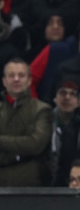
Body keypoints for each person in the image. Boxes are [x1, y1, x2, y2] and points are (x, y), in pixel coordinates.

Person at [0, 58, 52, 186]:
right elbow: (28, 144)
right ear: (4, 81)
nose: (16, 79)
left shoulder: (42, 109)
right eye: (11, 75)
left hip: (29, 181)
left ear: (29, 80)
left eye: (21, 75)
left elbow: (35, 144)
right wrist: (19, 150)